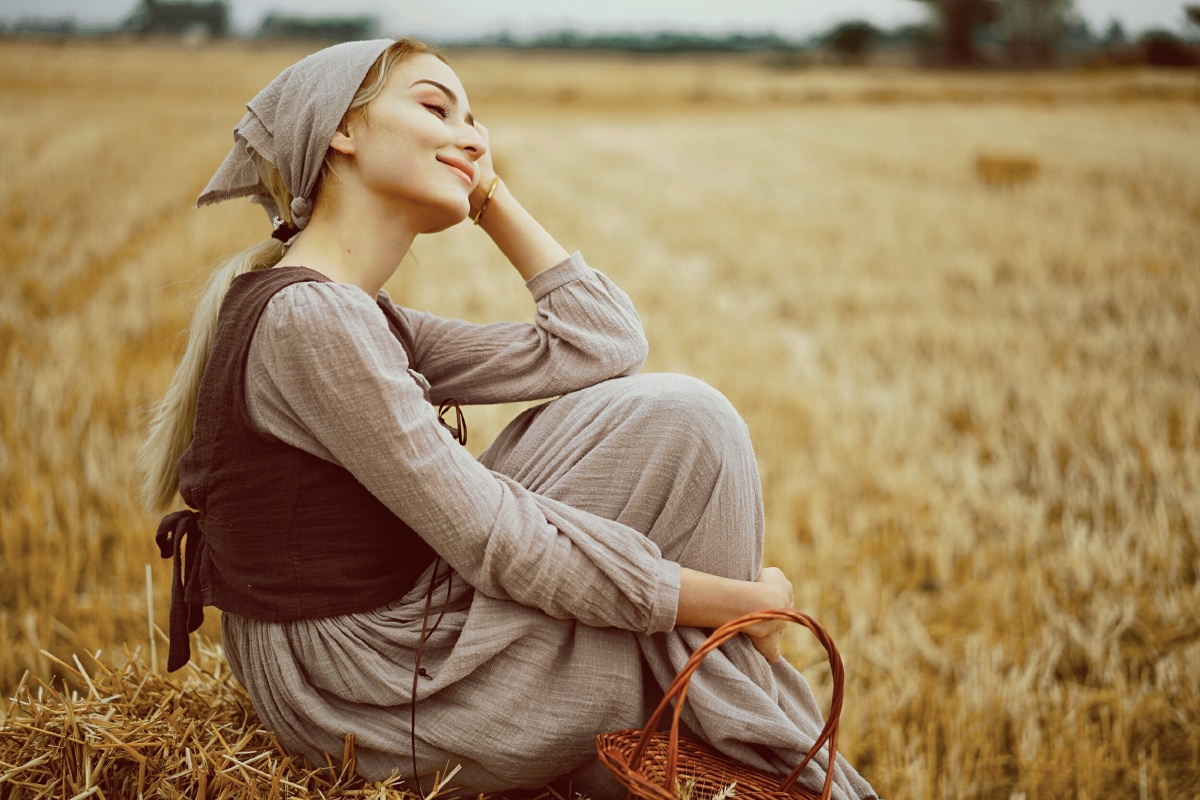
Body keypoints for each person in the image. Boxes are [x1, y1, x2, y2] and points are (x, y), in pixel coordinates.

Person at [139, 37, 877, 800]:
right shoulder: (312, 322)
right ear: (342, 131)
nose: (473, 132)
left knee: (687, 420)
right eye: (436, 107)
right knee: (689, 469)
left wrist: (486, 192)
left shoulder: (362, 317)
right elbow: (495, 540)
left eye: (476, 119)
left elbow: (602, 342)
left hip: (389, 652)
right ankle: (757, 750)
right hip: (368, 690)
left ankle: (734, 741)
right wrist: (736, 602)